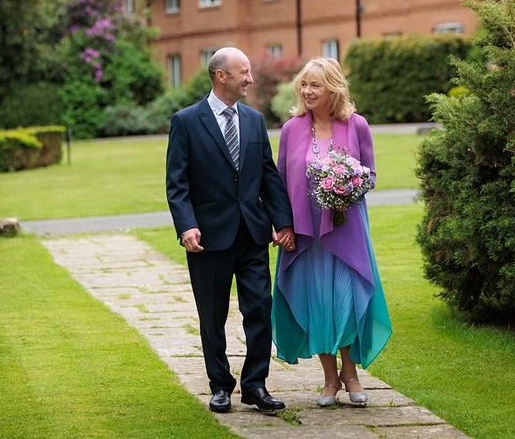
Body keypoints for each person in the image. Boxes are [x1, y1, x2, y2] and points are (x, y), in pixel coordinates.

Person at [166, 47, 296, 413]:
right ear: (221, 75)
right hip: (207, 238)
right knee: (212, 314)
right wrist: (186, 225)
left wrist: (282, 222)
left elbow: (268, 175)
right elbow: (177, 184)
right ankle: (220, 385)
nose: (250, 79)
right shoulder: (186, 121)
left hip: (252, 233)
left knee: (259, 309)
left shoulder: (254, 121)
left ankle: (255, 385)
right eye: (244, 72)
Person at [271, 57, 392, 407]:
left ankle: (350, 374)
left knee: (348, 300)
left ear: (333, 89)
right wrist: (282, 226)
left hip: (345, 228)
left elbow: (369, 174)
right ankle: (329, 379)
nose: (307, 91)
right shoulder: (291, 129)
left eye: (315, 85)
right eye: (304, 85)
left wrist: (347, 185)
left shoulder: (357, 125)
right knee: (317, 302)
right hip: (306, 234)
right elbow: (279, 181)